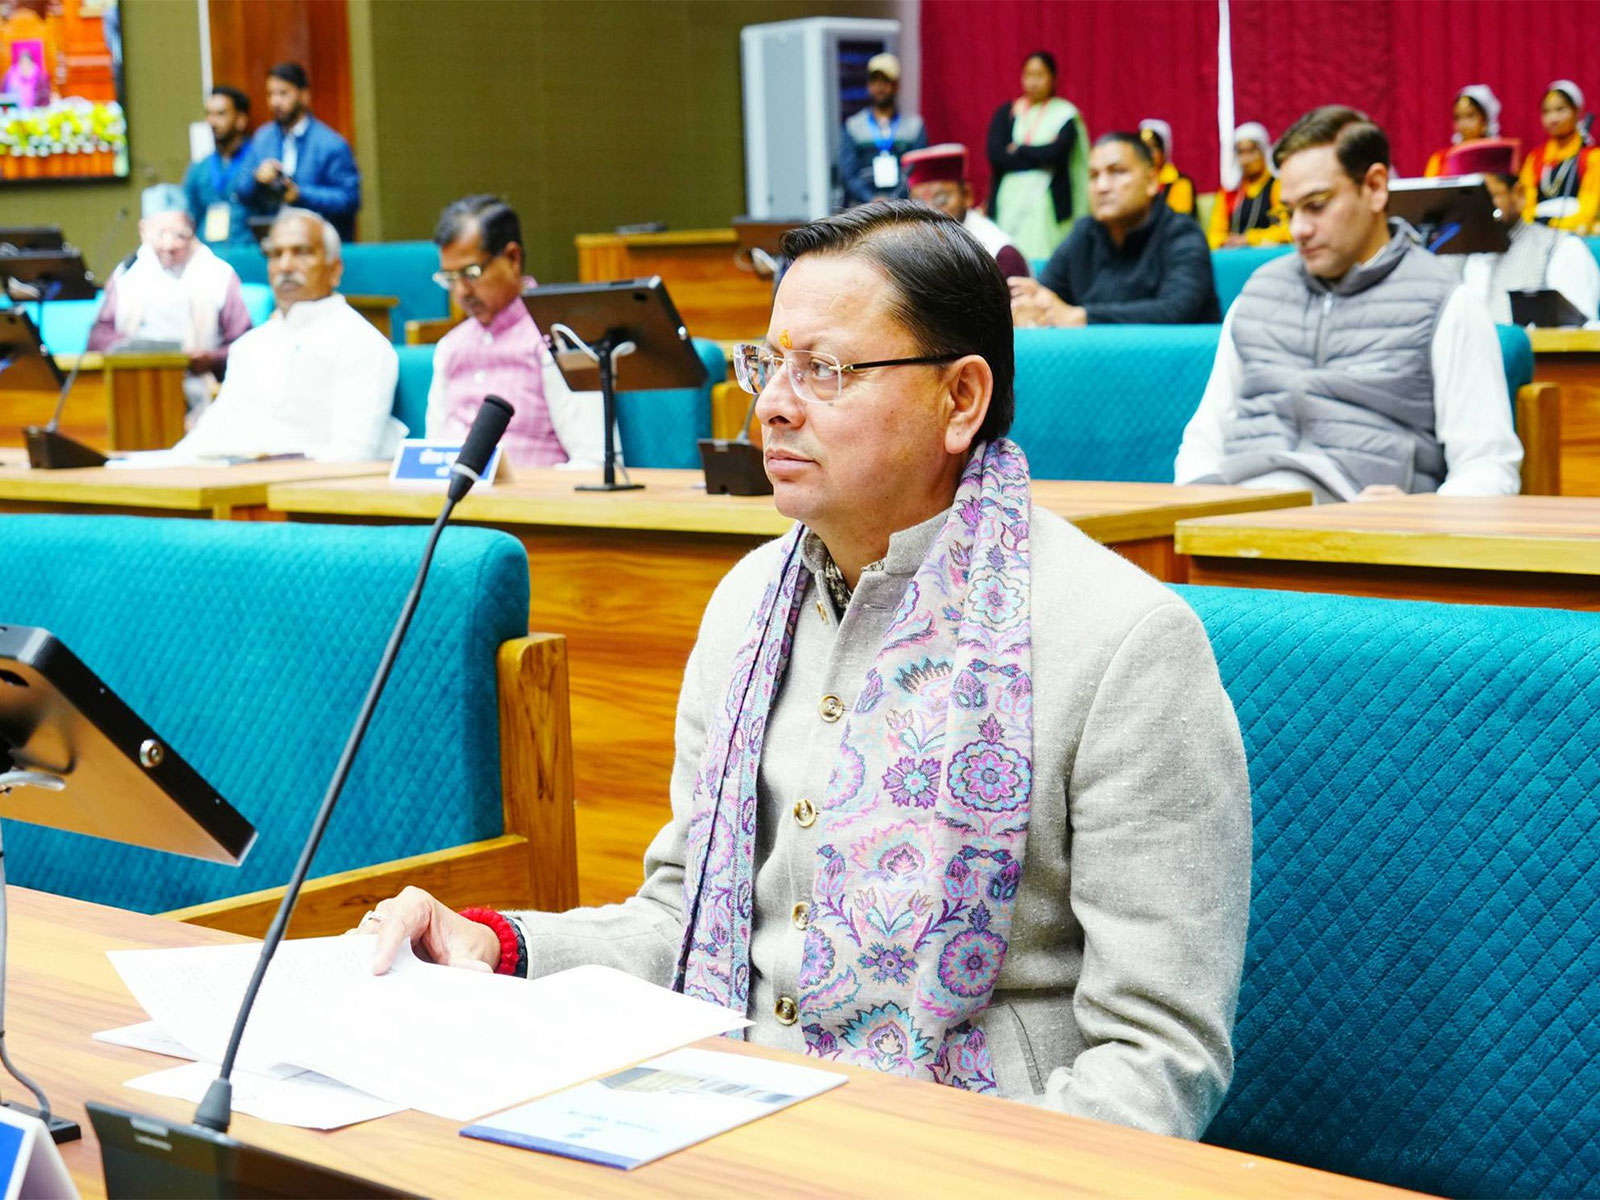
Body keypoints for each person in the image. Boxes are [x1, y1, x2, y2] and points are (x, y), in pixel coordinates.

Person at [362, 201, 1252, 1140]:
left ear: (962, 400)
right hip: (728, 1112)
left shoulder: (1124, 642)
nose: (774, 403)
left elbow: (1159, 1060)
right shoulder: (748, 604)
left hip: (967, 1147)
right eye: (769, 363)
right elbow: (685, 919)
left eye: (824, 369)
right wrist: (499, 945)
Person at [1175, 106, 1523, 502]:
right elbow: (1203, 440)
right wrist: (1195, 506)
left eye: (1317, 205)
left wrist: (1419, 516)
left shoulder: (1446, 303)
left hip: (1360, 535)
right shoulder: (1257, 295)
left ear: (1375, 187)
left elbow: (1486, 468)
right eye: (1288, 211)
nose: (1298, 230)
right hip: (1236, 518)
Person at [173, 208, 401, 461]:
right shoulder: (250, 347)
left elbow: (354, 454)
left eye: (301, 253)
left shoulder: (361, 343)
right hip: (233, 484)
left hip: (307, 491)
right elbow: (210, 433)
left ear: (335, 270)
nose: (285, 266)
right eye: (276, 254)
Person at [427, 195, 610, 469]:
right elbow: (431, 450)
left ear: (512, 258)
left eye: (471, 273)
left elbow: (594, 462)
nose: (461, 292)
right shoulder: (450, 346)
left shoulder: (561, 337)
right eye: (450, 279)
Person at [1009, 132, 1220, 327]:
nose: (1102, 186)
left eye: (1117, 172)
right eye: (1093, 175)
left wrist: (1080, 317)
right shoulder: (1083, 234)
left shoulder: (1182, 233)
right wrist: (1034, 304)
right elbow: (1048, 296)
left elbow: (1176, 310)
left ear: (1152, 181)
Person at [86, 183, 253, 411]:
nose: (169, 245)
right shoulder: (127, 273)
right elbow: (98, 335)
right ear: (143, 231)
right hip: (135, 385)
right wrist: (132, 352)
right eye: (159, 234)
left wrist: (211, 358)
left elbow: (244, 344)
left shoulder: (218, 274)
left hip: (200, 387)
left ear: (192, 228)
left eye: (179, 235)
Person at [1454, 142, 1600, 325]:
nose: (1476, 208)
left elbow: (1578, 339)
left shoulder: (1560, 249)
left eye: (1487, 196)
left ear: (1519, 195)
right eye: (1464, 199)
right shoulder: (1451, 257)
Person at [235, 62, 361, 242]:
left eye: (283, 93)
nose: (275, 102)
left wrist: (300, 195)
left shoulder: (331, 144)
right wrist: (257, 178)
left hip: (317, 243)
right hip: (272, 240)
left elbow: (349, 200)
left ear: (304, 96)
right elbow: (240, 190)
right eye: (270, 94)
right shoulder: (263, 138)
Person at [986, 51, 1089, 261]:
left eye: (1040, 75)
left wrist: (1021, 150)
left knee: (1045, 257)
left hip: (1047, 201)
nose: (1033, 82)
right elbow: (996, 154)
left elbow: (1057, 153)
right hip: (1009, 198)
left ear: (1053, 78)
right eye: (1028, 75)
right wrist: (1039, 154)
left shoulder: (1064, 114)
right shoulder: (1008, 112)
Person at [901, 142, 1030, 278]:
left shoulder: (1000, 255)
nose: (930, 210)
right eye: (918, 203)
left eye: (941, 200)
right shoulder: (909, 248)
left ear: (967, 195)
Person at [838, 53, 927, 207]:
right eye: (874, 81)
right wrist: (871, 199)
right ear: (868, 85)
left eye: (885, 81)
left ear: (896, 85)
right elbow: (848, 174)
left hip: (903, 209)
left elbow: (917, 172)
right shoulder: (853, 126)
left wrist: (893, 201)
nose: (879, 87)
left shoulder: (914, 127)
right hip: (861, 210)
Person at [1518, 80, 1600, 233]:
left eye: (1560, 110)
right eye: (1546, 111)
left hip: (1576, 235)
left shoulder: (1592, 157)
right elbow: (1524, 205)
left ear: (1577, 112)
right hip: (1537, 234)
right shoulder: (1536, 158)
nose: (1553, 118)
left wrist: (1553, 225)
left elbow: (1588, 210)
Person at [182, 85, 256, 247]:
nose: (212, 122)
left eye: (221, 114)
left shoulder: (257, 163)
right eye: (209, 114)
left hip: (247, 251)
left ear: (240, 120)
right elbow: (188, 215)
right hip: (208, 255)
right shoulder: (199, 168)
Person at [1207, 123, 1289, 249]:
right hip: (1234, 255)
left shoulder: (1277, 185)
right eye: (1240, 152)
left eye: (1251, 151)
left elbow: (1287, 230)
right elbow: (1214, 235)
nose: (1246, 160)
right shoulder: (1230, 190)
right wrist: (1225, 241)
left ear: (1264, 152)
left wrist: (1248, 239)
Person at [1422, 85, 1501, 178]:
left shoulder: (1499, 159)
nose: (1463, 123)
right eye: (1458, 117)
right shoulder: (1440, 159)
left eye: (1470, 116)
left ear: (1485, 121)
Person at [1138, 118, 1195, 217]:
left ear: (1163, 151)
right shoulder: (1134, 181)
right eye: (1143, 148)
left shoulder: (1180, 183)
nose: (1147, 154)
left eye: (1152, 147)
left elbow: (1179, 223)